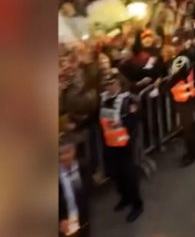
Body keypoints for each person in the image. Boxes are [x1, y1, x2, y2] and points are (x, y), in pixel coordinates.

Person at [99, 75, 144, 223]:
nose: (109, 86)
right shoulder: (104, 99)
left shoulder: (128, 99)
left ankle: (137, 205)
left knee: (129, 175)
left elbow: (135, 118)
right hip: (110, 143)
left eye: (112, 83)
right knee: (117, 175)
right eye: (106, 84)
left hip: (125, 143)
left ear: (118, 82)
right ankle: (124, 198)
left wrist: (121, 123)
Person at [166, 54, 195, 166]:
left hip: (185, 101)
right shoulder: (183, 62)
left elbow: (170, 84)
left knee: (188, 129)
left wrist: (160, 86)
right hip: (186, 100)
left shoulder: (181, 67)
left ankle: (191, 153)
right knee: (189, 128)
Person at [59, 136, 92, 236]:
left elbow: (90, 189)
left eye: (67, 152)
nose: (64, 157)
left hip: (82, 218)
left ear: (74, 150)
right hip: (64, 222)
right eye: (60, 154)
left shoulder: (83, 168)